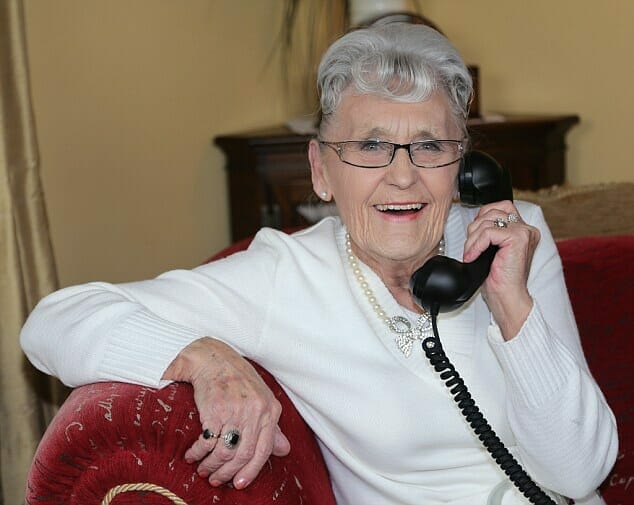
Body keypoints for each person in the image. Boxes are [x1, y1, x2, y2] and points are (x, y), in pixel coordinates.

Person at [21, 22, 616, 505]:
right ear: (320, 170)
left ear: (463, 165)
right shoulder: (284, 275)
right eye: (370, 146)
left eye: (431, 146)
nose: (403, 175)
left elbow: (579, 472)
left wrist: (512, 303)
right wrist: (208, 360)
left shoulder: (514, 237)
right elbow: (53, 321)